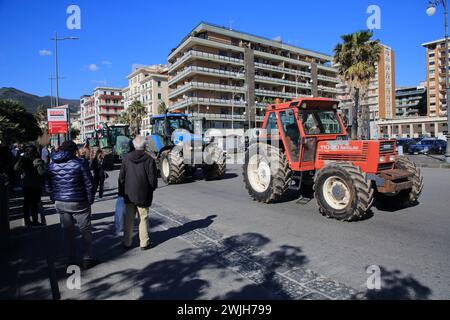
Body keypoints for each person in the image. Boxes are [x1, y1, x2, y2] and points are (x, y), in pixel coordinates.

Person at [46, 140, 97, 269]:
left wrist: (54, 198)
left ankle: (71, 260)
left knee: (68, 233)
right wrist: (89, 200)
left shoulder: (52, 165)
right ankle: (87, 259)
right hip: (79, 202)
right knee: (85, 231)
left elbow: (48, 185)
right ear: (75, 151)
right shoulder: (80, 163)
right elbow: (89, 184)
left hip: (61, 203)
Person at [118, 136, 157, 250]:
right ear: (144, 146)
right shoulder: (149, 159)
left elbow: (121, 177)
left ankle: (127, 242)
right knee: (143, 218)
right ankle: (144, 243)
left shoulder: (126, 158)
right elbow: (152, 179)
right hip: (143, 194)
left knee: (128, 219)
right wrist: (152, 188)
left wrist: (121, 192)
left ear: (134, 146)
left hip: (128, 193)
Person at [14, 145, 46, 227]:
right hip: (35, 185)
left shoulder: (23, 159)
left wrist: (20, 160)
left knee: (26, 203)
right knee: (34, 204)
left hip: (25, 184)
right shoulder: (37, 160)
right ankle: (35, 221)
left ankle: (27, 221)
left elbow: (15, 168)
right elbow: (41, 173)